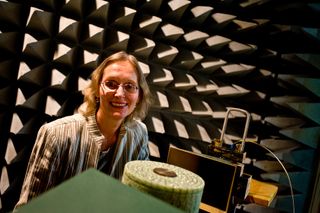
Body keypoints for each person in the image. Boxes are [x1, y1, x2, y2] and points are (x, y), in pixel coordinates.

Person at [15, 51, 152, 208]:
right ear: (97, 89)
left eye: (129, 86)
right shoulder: (56, 134)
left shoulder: (140, 133)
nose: (120, 94)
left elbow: (139, 198)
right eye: (111, 84)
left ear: (139, 95)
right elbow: (31, 208)